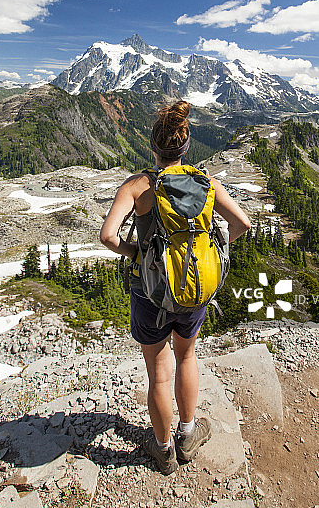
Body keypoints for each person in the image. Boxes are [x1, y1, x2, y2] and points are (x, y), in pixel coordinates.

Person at [100, 100, 251, 474]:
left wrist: (137, 253)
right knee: (186, 356)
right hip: (193, 289)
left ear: (153, 146)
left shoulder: (138, 186)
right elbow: (242, 224)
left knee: (158, 370)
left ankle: (163, 449)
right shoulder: (207, 183)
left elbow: (108, 236)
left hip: (150, 291)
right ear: (185, 147)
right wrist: (214, 248)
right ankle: (187, 434)